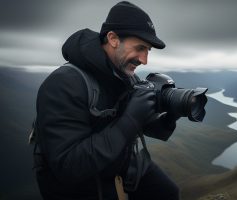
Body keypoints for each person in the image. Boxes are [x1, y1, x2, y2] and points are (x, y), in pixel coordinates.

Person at [34, 1, 179, 200]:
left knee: (167, 193)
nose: (144, 60)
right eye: (140, 48)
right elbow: (68, 165)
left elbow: (144, 124)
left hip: (118, 164)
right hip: (79, 183)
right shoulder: (64, 84)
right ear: (113, 38)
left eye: (147, 51)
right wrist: (129, 121)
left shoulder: (125, 76)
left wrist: (171, 114)